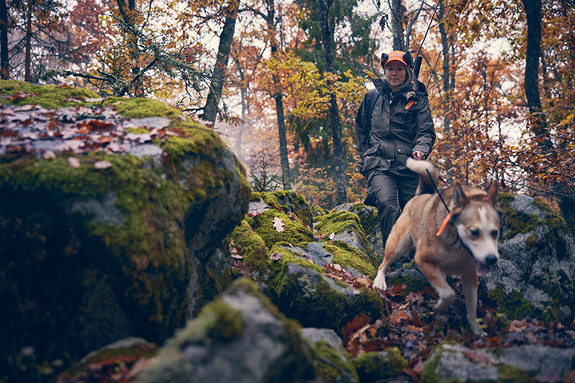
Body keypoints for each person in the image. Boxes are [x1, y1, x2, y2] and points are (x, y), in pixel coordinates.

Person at [355, 50, 436, 249]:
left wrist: (420, 150)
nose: (394, 73)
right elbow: (361, 129)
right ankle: (393, 261)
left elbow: (426, 131)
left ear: (407, 71)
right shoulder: (371, 98)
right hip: (379, 165)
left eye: (399, 69)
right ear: (384, 70)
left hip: (409, 165)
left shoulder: (417, 98)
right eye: (390, 68)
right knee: (388, 204)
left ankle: (413, 263)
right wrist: (366, 157)